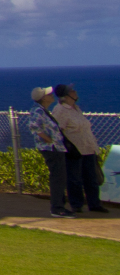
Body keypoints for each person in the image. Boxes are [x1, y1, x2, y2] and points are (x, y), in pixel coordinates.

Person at [52, 83, 108, 215]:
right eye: (72, 90)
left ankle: (94, 204)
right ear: (66, 96)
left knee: (91, 178)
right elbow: (57, 131)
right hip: (74, 151)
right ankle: (76, 204)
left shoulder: (75, 108)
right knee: (75, 179)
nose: (75, 91)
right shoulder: (60, 110)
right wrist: (66, 147)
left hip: (88, 149)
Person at [27, 86, 73, 217]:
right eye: (48, 94)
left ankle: (59, 205)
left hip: (56, 148)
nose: (51, 95)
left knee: (60, 177)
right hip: (51, 149)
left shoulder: (43, 110)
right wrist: (48, 139)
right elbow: (33, 126)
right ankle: (57, 208)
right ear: (43, 98)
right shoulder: (38, 110)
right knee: (58, 177)